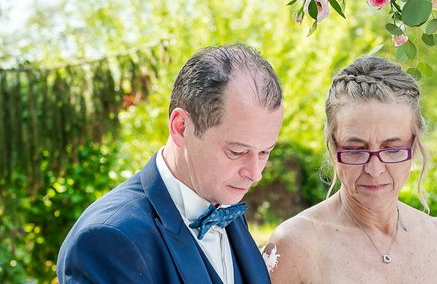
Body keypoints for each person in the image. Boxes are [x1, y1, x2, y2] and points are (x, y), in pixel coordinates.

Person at [57, 44, 283, 283]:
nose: (255, 173)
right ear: (181, 127)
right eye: (236, 152)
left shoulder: (228, 207)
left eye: (265, 152)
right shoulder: (108, 240)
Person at [265, 56, 437, 283]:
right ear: (333, 147)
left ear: (414, 145)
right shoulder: (295, 245)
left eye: (392, 149)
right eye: (355, 149)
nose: (374, 169)